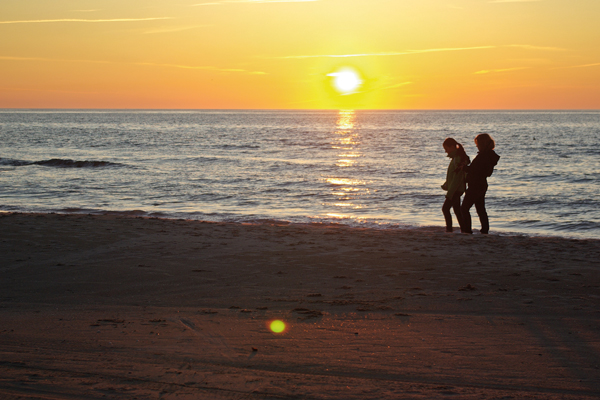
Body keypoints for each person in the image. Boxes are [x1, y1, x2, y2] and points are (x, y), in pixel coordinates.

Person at [460, 133, 500, 234]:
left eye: (477, 143)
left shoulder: (483, 156)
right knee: (480, 209)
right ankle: (484, 230)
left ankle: (467, 230)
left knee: (464, 208)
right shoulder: (488, 156)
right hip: (481, 184)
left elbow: (475, 170)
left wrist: (464, 168)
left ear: (482, 143)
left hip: (476, 185)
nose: (476, 145)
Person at [441, 138, 469, 233]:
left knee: (445, 209)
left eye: (446, 148)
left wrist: (450, 193)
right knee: (457, 210)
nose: (445, 151)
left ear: (452, 147)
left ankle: (449, 229)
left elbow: (457, 178)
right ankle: (463, 229)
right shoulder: (456, 158)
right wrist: (446, 184)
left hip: (456, 190)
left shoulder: (457, 159)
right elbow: (453, 176)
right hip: (457, 189)